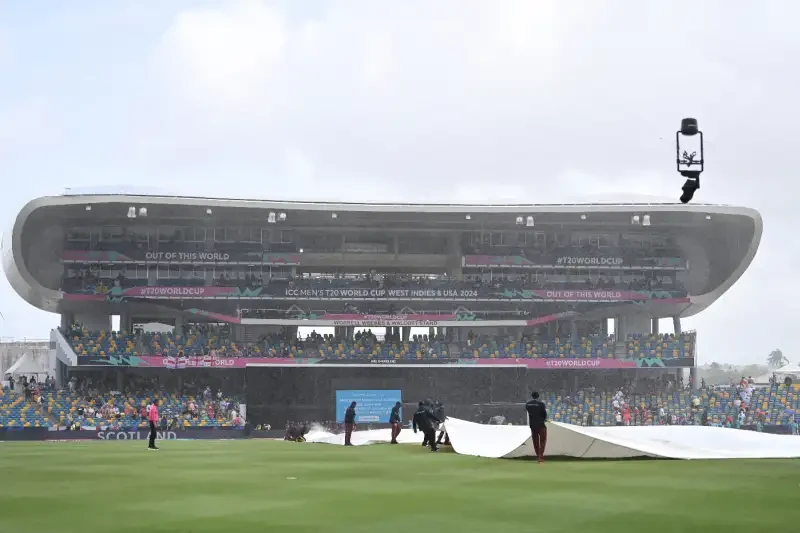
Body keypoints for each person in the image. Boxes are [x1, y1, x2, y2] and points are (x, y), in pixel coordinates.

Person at [525, 391, 547, 463]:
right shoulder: (541, 404)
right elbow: (544, 414)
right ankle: (541, 456)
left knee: (535, 441)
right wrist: (543, 419)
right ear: (538, 396)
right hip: (541, 425)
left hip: (533, 425)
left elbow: (529, 412)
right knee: (542, 441)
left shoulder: (528, 404)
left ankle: (538, 456)